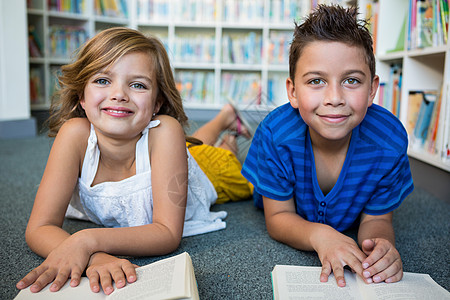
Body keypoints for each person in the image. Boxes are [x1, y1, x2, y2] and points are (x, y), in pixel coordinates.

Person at [16, 27, 252, 295]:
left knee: (221, 158)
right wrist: (95, 256)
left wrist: (86, 240)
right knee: (191, 145)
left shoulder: (166, 130)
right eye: (103, 80)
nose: (119, 94)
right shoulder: (74, 135)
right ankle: (225, 118)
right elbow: (39, 227)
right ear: (81, 95)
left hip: (210, 173)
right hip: (169, 157)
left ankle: (227, 135)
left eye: (137, 85)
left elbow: (166, 233)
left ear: (156, 104)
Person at [241, 5, 414, 288]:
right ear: (293, 91)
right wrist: (320, 235)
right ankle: (230, 131)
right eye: (317, 81)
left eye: (351, 80)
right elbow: (279, 216)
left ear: (372, 90)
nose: (334, 98)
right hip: (266, 175)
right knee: (227, 170)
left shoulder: (389, 142)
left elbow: (377, 218)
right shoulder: (275, 134)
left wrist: (379, 245)